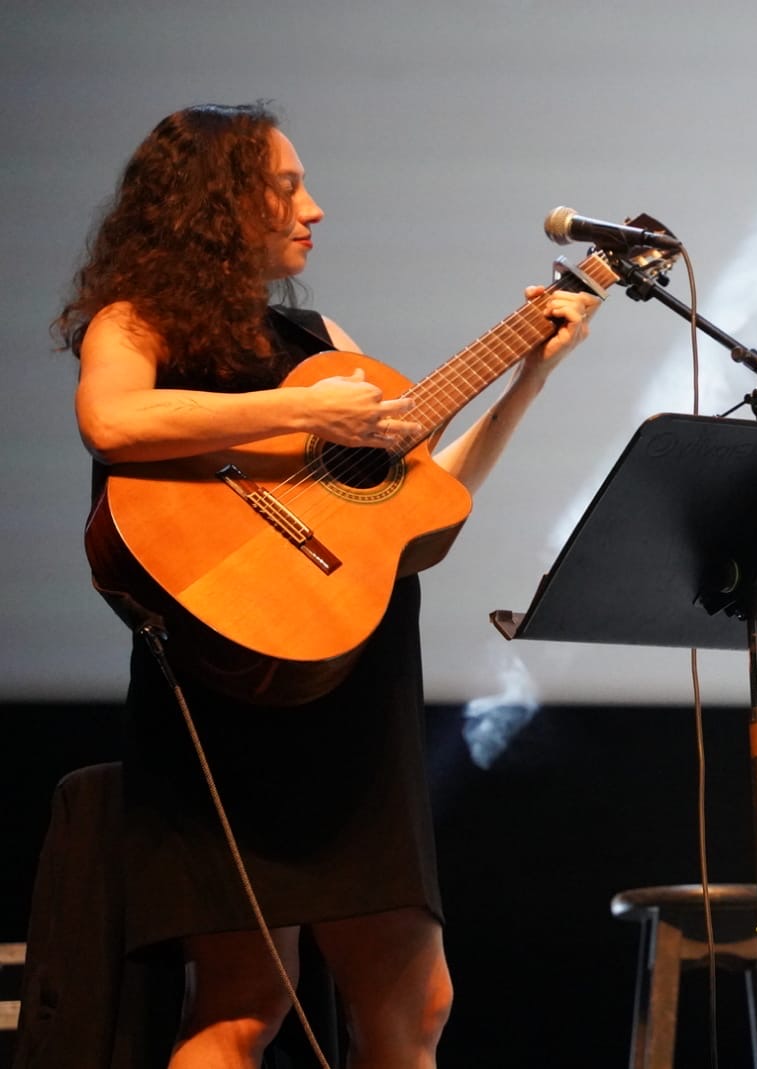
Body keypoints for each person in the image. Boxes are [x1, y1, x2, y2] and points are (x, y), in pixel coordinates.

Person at [52, 102, 602, 1068]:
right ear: (217, 203)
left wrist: (530, 375)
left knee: (418, 1005)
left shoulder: (320, 339)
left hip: (356, 694)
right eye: (286, 186)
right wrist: (301, 412)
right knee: (242, 1005)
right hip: (229, 682)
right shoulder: (136, 323)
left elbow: (417, 504)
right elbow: (113, 421)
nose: (313, 208)